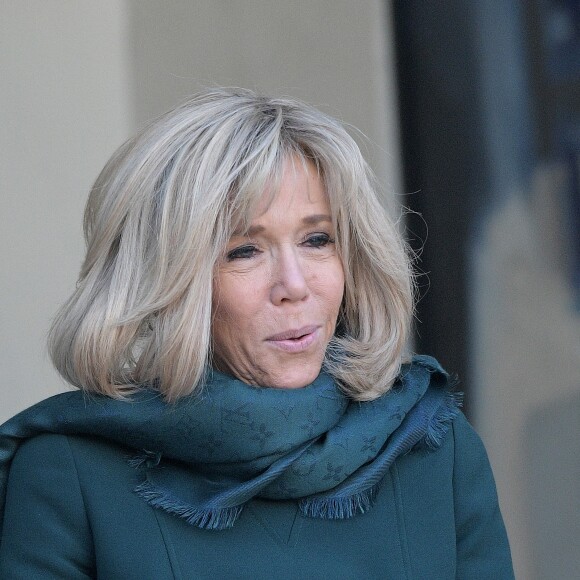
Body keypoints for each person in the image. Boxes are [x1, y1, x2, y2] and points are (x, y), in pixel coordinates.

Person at [0, 89, 514, 579]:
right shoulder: (66, 474)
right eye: (244, 250)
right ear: (163, 280)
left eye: (317, 240)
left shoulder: (434, 448)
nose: (295, 285)